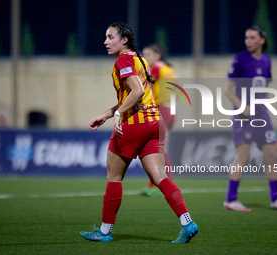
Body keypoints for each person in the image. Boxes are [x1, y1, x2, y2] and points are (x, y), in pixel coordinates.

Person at [80, 22, 198, 243]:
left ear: (124, 40)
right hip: (154, 122)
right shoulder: (140, 60)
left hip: (134, 123)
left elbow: (137, 91)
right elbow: (138, 96)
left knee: (114, 177)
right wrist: (106, 114)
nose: (105, 41)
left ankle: (104, 232)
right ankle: (187, 221)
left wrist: (118, 114)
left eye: (110, 37)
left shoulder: (123, 60)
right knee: (159, 176)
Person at [224, 26, 277, 211]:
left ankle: (275, 200)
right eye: (246, 37)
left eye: (252, 37)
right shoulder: (240, 60)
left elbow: (266, 89)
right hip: (243, 115)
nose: (248, 41)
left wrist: (265, 108)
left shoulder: (267, 61)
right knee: (243, 157)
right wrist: (241, 106)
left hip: (261, 115)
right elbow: (228, 90)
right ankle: (230, 200)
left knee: (271, 155)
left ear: (262, 40)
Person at [141, 44, 176, 196]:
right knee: (160, 148)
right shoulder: (168, 69)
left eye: (148, 55)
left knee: (158, 149)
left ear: (157, 55)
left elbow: (144, 86)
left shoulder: (156, 69)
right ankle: (158, 184)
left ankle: (159, 185)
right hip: (169, 109)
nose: (145, 58)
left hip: (161, 109)